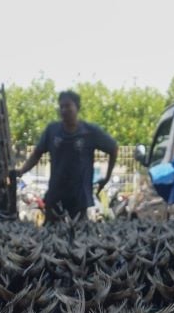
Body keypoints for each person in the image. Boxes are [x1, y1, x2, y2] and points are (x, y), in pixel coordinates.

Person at [14, 91, 118, 223]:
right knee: (51, 234)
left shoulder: (90, 132)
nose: (64, 110)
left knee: (79, 236)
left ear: (77, 107)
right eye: (61, 107)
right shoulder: (52, 131)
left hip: (79, 198)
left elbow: (113, 148)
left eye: (68, 106)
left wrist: (107, 177)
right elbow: (36, 154)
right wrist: (22, 171)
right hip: (56, 194)